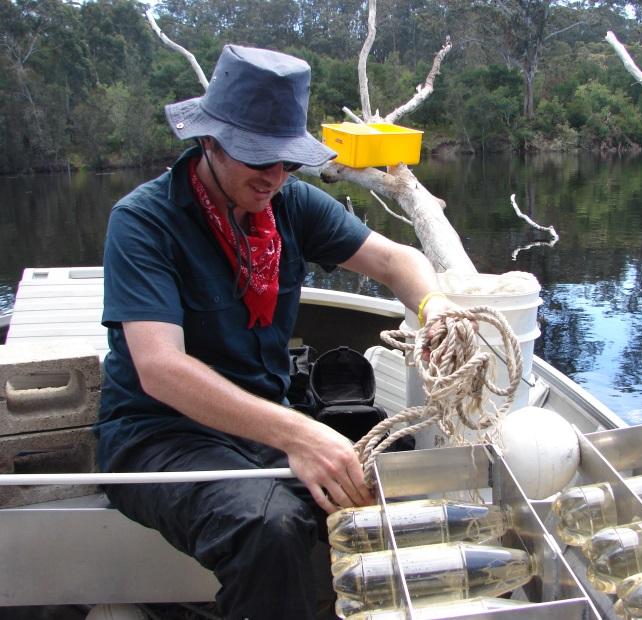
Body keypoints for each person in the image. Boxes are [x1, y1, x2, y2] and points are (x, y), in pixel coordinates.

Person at [95, 44, 453, 619]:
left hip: (261, 421)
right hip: (156, 437)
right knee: (268, 523)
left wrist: (433, 307)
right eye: (259, 158)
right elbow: (160, 369)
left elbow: (397, 261)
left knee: (395, 487)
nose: (275, 176)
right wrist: (300, 436)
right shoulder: (143, 222)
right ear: (209, 142)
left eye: (287, 160)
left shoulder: (289, 203)